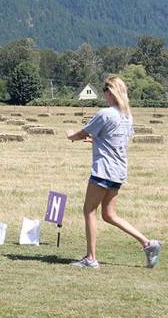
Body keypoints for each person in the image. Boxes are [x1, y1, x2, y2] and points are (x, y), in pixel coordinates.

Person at [65, 75, 161, 269]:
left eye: (104, 90)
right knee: (109, 215)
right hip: (118, 171)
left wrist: (70, 136)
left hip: (103, 171)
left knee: (89, 211)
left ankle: (91, 258)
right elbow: (118, 141)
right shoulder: (127, 116)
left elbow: (83, 132)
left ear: (110, 92)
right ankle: (148, 243)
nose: (104, 94)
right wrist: (98, 142)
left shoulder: (105, 113)